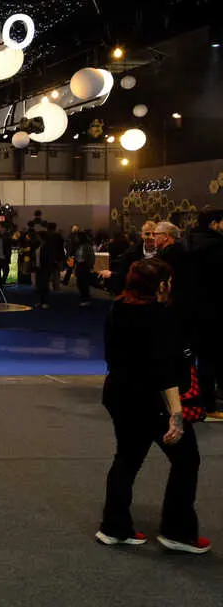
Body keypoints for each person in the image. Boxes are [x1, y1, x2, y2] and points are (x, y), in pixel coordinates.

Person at [96, 259, 210, 554]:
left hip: (119, 394)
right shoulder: (160, 318)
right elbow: (164, 373)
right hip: (152, 401)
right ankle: (178, 531)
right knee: (187, 460)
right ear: (161, 285)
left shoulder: (117, 309)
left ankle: (114, 527)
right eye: (168, 281)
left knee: (127, 458)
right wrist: (176, 415)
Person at [186, 210, 223, 420]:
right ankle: (210, 404)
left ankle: (195, 399)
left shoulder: (187, 243)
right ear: (214, 224)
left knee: (193, 357)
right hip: (214, 311)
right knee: (211, 358)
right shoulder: (217, 246)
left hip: (190, 311)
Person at [101, 221, 156, 293]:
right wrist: (112, 275)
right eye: (147, 234)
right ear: (142, 235)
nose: (151, 237)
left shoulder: (163, 252)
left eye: (154, 234)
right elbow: (123, 274)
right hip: (135, 291)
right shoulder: (131, 253)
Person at [34, 222, 62, 309]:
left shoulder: (46, 247)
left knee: (44, 284)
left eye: (38, 236)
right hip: (39, 267)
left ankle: (45, 301)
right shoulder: (40, 246)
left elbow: (47, 258)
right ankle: (41, 301)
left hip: (44, 267)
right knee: (40, 285)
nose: (37, 238)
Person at [73, 231, 95, 307]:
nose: (76, 238)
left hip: (84, 265)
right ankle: (84, 298)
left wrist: (90, 265)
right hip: (79, 265)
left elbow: (91, 257)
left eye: (77, 237)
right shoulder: (79, 246)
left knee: (84, 283)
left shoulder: (87, 246)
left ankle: (86, 299)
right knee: (80, 282)